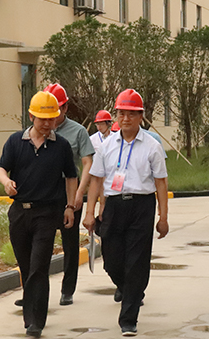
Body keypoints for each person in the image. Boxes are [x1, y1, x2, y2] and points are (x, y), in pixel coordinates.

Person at [83, 89, 169, 337]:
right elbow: (96, 180)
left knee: (136, 262)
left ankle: (128, 318)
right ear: (116, 116)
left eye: (131, 114)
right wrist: (90, 212)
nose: (126, 118)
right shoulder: (106, 146)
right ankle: (131, 288)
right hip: (114, 206)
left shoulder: (152, 146)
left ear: (141, 116)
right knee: (112, 261)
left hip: (142, 207)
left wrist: (163, 217)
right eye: (121, 113)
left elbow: (161, 182)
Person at [0, 91, 78, 338]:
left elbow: (71, 177)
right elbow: (1, 168)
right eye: (43, 119)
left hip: (47, 214)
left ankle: (35, 322)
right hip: (19, 213)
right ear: (31, 117)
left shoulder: (61, 146)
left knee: (39, 266)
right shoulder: (15, 142)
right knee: (26, 266)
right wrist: (6, 182)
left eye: (51, 119)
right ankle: (30, 314)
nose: (47, 123)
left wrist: (70, 207)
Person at [44, 83, 95, 306]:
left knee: (70, 245)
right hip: (44, 196)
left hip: (69, 194)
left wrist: (79, 193)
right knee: (40, 245)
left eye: (55, 109)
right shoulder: (39, 129)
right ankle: (35, 291)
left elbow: (87, 163)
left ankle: (67, 289)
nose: (50, 116)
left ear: (65, 108)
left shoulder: (78, 132)